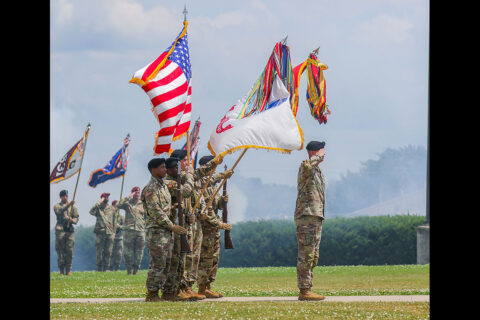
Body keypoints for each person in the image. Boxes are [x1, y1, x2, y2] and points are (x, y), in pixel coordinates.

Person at [141, 157, 187, 302]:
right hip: (157, 231)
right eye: (161, 167)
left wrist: (174, 208)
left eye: (165, 167)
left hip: (166, 231)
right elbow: (156, 212)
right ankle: (152, 293)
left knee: (168, 263)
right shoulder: (150, 189)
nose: (165, 170)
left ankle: (167, 293)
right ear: (153, 170)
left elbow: (165, 209)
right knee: (158, 263)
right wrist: (172, 225)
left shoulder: (163, 187)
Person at [195, 155, 233, 298]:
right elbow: (205, 208)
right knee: (205, 257)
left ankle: (208, 285)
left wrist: (222, 202)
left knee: (214, 257)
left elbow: (213, 204)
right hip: (206, 226)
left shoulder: (211, 185)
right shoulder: (201, 182)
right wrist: (220, 223)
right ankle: (202, 286)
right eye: (213, 167)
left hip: (214, 228)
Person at [161, 154, 197, 301]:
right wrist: (189, 176)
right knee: (174, 260)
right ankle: (170, 291)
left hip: (180, 224)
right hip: (172, 227)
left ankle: (178, 288)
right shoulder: (169, 183)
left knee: (181, 259)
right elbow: (185, 191)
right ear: (169, 170)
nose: (179, 170)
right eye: (176, 168)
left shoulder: (176, 180)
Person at [294, 140, 327, 301]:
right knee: (306, 254)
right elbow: (307, 165)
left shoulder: (317, 171)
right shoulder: (305, 167)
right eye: (322, 151)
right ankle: (304, 290)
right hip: (306, 216)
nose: (324, 154)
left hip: (315, 216)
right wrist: (316, 157)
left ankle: (308, 288)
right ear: (314, 152)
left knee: (313, 255)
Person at [117, 186, 146, 275]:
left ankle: (136, 270)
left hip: (140, 231)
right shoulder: (127, 204)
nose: (137, 193)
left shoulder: (143, 204)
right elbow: (118, 205)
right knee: (127, 253)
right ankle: (129, 271)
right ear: (132, 193)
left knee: (139, 252)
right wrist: (128, 196)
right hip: (129, 231)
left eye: (138, 192)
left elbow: (149, 215)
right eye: (135, 192)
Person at [89, 192, 118, 272]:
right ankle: (99, 268)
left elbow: (114, 222)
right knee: (99, 252)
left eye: (108, 197)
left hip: (109, 233)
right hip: (100, 232)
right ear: (102, 198)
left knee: (108, 251)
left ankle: (105, 268)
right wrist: (99, 202)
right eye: (105, 197)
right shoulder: (98, 208)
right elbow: (91, 211)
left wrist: (114, 233)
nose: (107, 198)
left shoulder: (112, 208)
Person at [53, 189, 79, 276]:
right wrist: (69, 205)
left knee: (69, 251)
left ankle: (68, 270)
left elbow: (76, 218)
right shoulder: (57, 206)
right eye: (64, 196)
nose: (65, 197)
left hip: (69, 230)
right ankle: (61, 270)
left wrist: (72, 220)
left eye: (66, 195)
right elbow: (59, 211)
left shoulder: (73, 207)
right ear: (61, 197)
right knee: (60, 251)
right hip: (60, 230)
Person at [109, 200, 125, 271]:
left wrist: (119, 226)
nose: (116, 207)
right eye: (115, 206)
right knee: (110, 253)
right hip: (111, 237)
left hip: (119, 238)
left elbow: (125, 227)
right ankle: (111, 267)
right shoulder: (109, 216)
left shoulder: (121, 217)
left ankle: (117, 267)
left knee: (119, 253)